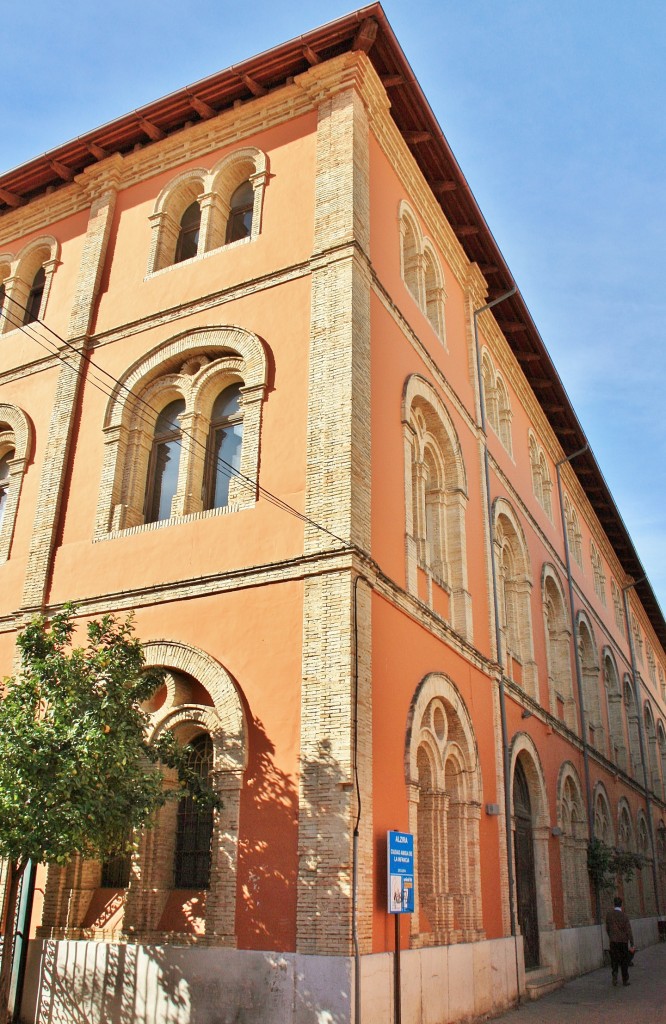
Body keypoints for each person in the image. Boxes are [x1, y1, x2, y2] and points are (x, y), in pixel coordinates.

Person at [605, 895, 634, 986]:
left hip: (613, 941)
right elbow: (628, 930)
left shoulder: (609, 915)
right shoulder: (624, 916)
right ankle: (625, 980)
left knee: (614, 959)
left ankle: (614, 974)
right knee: (624, 961)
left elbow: (607, 928)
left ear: (614, 904)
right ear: (621, 905)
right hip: (623, 941)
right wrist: (632, 942)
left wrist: (611, 936)